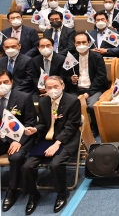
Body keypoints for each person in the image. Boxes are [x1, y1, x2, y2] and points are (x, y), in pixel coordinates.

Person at [22, 76, 81, 214]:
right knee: (27, 166)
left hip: (67, 138)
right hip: (47, 139)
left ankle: (62, 192)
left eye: (55, 86)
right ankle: (33, 194)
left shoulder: (73, 101)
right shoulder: (43, 101)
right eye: (49, 87)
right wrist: (35, 129)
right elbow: (43, 122)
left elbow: (71, 127)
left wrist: (57, 143)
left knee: (56, 164)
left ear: (63, 86)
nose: (52, 90)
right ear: (45, 89)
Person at [0, 69, 36, 212]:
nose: (2, 85)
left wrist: (19, 141)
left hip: (20, 140)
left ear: (12, 82)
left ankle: (12, 190)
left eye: (5, 82)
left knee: (16, 157)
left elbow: (30, 123)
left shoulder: (23, 97)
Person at [66, 33, 108, 134]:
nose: (81, 44)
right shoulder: (71, 58)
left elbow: (101, 77)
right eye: (78, 42)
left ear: (89, 43)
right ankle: (72, 129)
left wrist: (88, 93)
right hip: (76, 89)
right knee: (68, 104)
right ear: (74, 44)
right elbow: (64, 76)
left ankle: (95, 128)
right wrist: (71, 79)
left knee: (91, 106)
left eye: (84, 42)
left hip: (94, 89)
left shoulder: (97, 57)